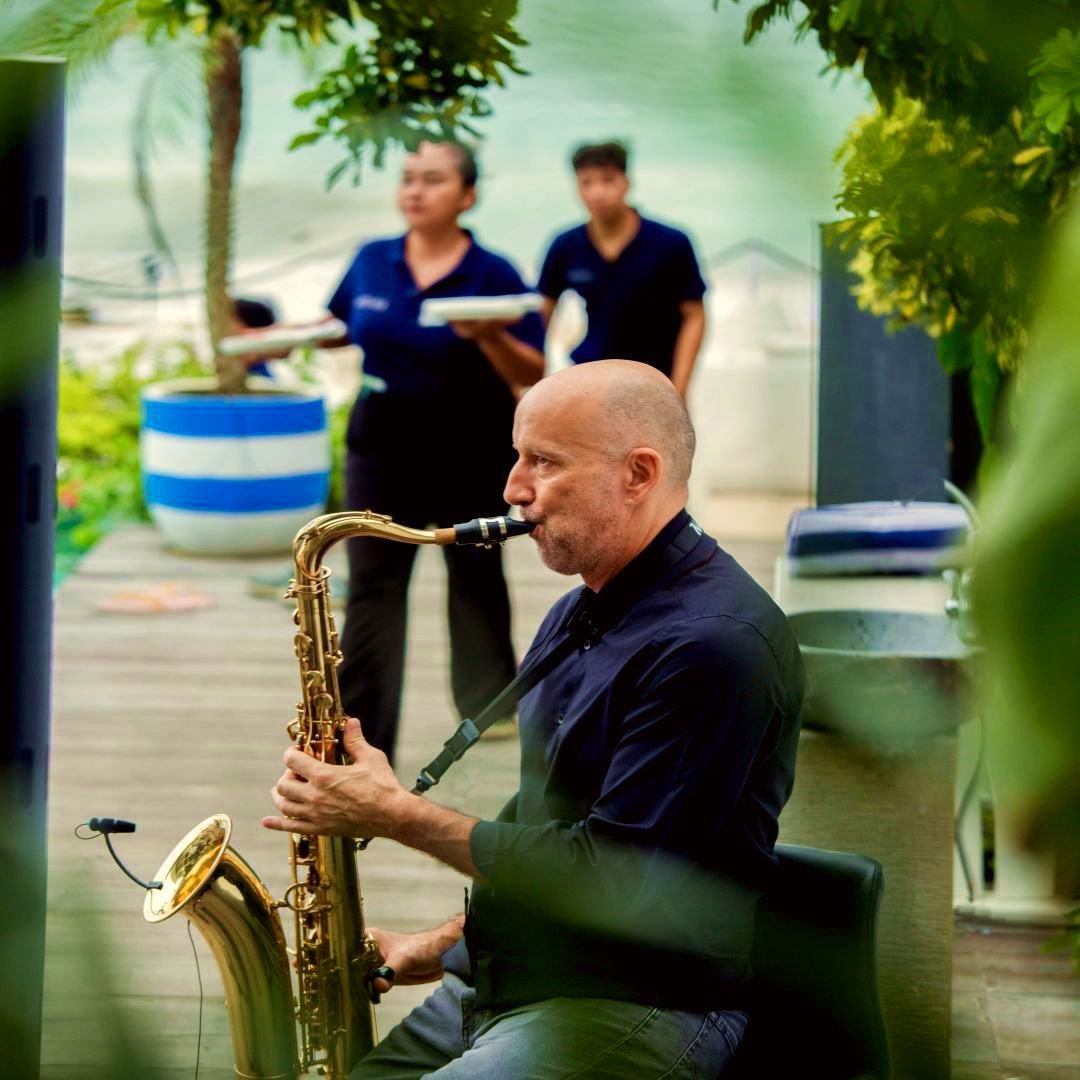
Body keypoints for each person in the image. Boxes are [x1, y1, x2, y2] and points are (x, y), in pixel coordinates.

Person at [263, 360, 805, 1078]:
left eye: (543, 462)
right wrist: (452, 943)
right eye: (518, 457)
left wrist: (397, 813)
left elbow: (617, 877)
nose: (513, 489)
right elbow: (548, 824)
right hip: (510, 980)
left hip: (634, 1003)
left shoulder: (711, 649)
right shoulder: (584, 606)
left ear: (638, 474)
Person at [244, 139, 545, 760]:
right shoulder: (373, 260)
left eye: (433, 180)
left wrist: (488, 335)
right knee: (375, 584)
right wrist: (277, 340)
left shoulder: (492, 272)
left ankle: (491, 713)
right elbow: (340, 328)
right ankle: (361, 733)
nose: (415, 190)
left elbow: (533, 365)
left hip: (471, 438)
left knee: (476, 572)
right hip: (382, 441)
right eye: (408, 177)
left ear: (467, 195)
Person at [537, 141, 708, 399]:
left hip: (656, 381)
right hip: (591, 376)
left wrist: (680, 389)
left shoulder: (671, 243)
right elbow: (542, 310)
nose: (597, 193)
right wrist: (533, 376)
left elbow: (694, 316)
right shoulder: (566, 245)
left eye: (608, 180)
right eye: (587, 183)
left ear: (626, 182)